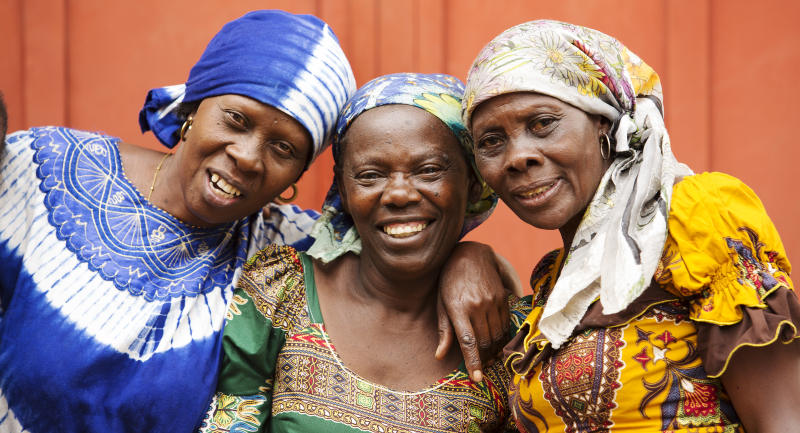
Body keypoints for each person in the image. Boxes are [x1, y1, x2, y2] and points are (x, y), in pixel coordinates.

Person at [0, 11, 509, 433]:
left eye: (283, 148)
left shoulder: (283, 245)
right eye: (236, 120)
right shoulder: (43, 171)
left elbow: (398, 239)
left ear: (299, 175)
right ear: (194, 105)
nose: (246, 156)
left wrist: (469, 256)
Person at [462, 20, 800, 433]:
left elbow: (783, 421)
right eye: (491, 141)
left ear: (603, 123)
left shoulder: (694, 222)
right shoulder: (556, 286)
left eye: (542, 123)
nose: (518, 156)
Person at [198, 73, 530, 433]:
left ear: (473, 181)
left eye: (429, 170)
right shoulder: (282, 292)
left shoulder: (511, 335)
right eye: (370, 175)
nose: (399, 194)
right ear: (343, 188)